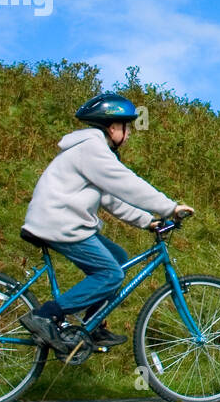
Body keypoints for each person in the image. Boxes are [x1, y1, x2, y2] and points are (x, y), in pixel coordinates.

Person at [17, 92, 193, 351]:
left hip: (63, 221)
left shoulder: (91, 149)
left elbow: (111, 199)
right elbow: (126, 184)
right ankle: (46, 315)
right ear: (113, 127)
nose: (129, 133)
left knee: (119, 259)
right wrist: (169, 208)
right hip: (59, 223)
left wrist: (148, 221)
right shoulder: (92, 149)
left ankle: (92, 325)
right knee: (111, 274)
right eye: (126, 127)